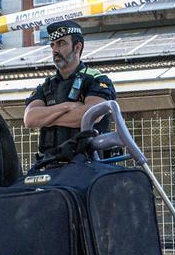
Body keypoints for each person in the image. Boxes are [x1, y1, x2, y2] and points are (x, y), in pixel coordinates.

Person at [23, 21, 117, 155]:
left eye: (62, 43)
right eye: (53, 45)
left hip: (89, 165)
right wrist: (66, 107)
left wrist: (47, 119)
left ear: (77, 47)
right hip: (49, 164)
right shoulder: (45, 86)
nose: (55, 50)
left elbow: (91, 116)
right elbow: (30, 119)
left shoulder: (96, 80)